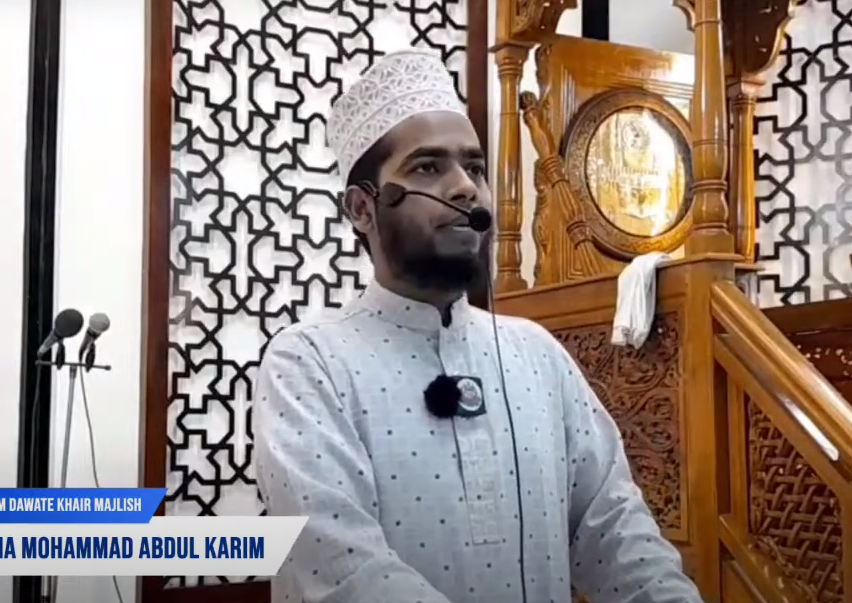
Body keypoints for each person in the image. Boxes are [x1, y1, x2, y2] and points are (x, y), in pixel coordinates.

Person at [252, 48, 702, 603]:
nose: (465, 187)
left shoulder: (536, 353)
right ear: (362, 209)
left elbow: (614, 529)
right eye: (427, 167)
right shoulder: (308, 362)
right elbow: (343, 568)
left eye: (475, 168)